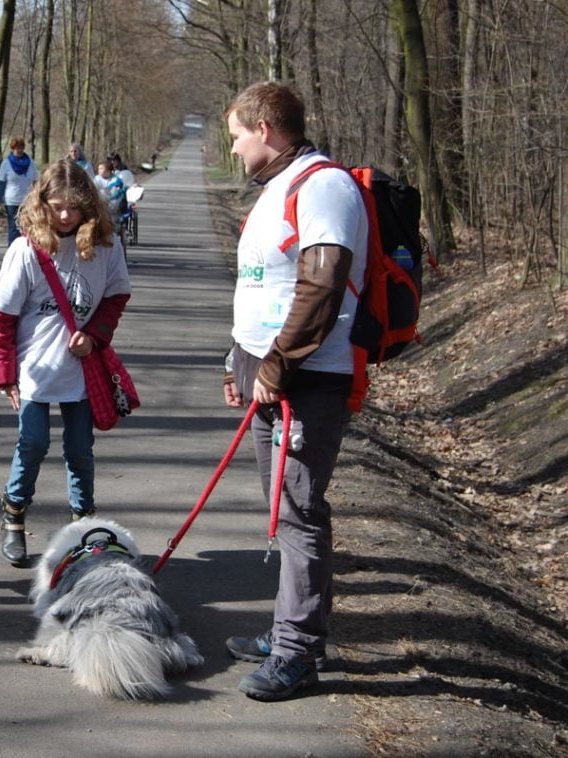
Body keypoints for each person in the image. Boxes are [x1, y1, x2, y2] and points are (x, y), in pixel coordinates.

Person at [221, 82, 368, 699]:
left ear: (266, 128)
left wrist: (277, 367)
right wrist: (239, 362)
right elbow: (263, 287)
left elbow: (322, 284)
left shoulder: (323, 186)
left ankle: (298, 652)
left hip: (305, 380)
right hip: (268, 373)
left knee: (300, 514)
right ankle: (291, 629)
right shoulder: (274, 189)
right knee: (284, 515)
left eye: (236, 136)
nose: (233, 149)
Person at [0, 159, 132, 567]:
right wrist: (5, 374)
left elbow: (116, 297)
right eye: (57, 206)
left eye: (74, 206)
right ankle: (14, 514)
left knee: (79, 449)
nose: (66, 216)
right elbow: (1, 318)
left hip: (82, 370)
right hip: (35, 368)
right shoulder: (25, 250)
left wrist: (96, 335)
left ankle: (83, 527)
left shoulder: (106, 246)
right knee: (33, 443)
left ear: (89, 205)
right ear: (42, 203)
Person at [0, 137, 40, 244]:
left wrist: (38, 196)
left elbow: (36, 181)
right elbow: (0, 182)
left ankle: (27, 252)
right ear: (12, 149)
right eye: (16, 148)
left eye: (21, 147)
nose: (18, 150)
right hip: (12, 201)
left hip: (27, 201)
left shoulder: (30, 163)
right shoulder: (6, 164)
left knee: (27, 227)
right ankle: (12, 252)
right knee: (14, 228)